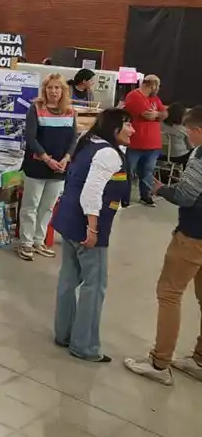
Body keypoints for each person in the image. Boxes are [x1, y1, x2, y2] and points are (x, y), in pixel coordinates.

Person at [125, 105, 202, 385]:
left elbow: (186, 196)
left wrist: (161, 190)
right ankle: (199, 360)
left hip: (193, 236)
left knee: (169, 295)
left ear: (198, 130)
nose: (187, 136)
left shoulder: (201, 154)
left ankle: (159, 363)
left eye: (189, 131)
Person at [52, 109, 133, 364]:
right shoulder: (108, 153)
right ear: (114, 128)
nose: (133, 130)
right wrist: (93, 229)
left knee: (68, 277)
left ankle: (63, 334)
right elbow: (92, 193)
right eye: (128, 124)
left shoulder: (88, 142)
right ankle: (84, 345)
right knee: (94, 285)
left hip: (67, 219)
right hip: (86, 225)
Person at [19, 73, 78, 261]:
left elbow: (73, 139)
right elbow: (31, 137)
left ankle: (39, 240)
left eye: (57, 88)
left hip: (59, 168)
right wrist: (47, 159)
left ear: (63, 90)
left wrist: (66, 158)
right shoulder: (35, 109)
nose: (53, 91)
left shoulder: (70, 110)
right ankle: (26, 243)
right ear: (44, 89)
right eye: (50, 87)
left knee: (48, 206)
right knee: (31, 205)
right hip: (37, 166)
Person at [123, 75, 167, 206]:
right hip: (136, 143)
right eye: (157, 86)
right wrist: (157, 115)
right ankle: (124, 197)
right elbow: (146, 115)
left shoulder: (155, 98)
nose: (158, 89)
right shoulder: (134, 96)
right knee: (128, 172)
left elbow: (165, 114)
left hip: (153, 144)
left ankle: (145, 195)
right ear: (152, 85)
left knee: (147, 172)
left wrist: (158, 114)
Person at [161, 103, 192, 169]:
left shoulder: (159, 125)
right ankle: (187, 174)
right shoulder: (182, 129)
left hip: (161, 154)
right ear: (181, 116)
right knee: (193, 152)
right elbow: (189, 147)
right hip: (177, 156)